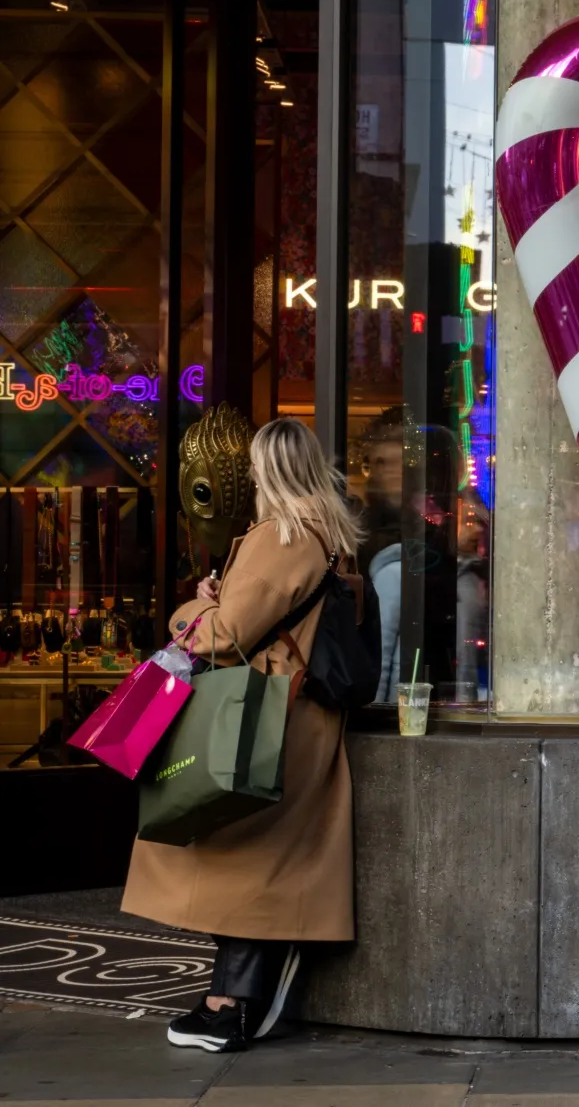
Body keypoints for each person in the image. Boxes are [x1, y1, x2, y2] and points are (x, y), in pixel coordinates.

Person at [122, 417, 360, 1053]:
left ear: (266, 471)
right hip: (298, 717)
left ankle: (232, 1006)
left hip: (260, 721)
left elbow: (221, 637)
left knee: (237, 855)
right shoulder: (327, 534)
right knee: (259, 858)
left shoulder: (280, 535)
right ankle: (227, 997)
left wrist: (194, 608)